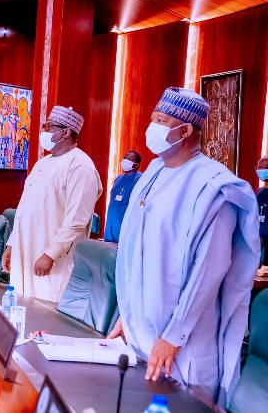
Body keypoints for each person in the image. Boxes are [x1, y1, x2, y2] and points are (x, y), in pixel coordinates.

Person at [108, 87, 259, 408]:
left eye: (161, 121)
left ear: (186, 130)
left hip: (183, 346)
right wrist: (128, 312)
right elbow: (139, 253)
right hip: (141, 336)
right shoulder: (153, 173)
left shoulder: (212, 186)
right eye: (153, 120)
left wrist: (172, 336)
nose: (153, 128)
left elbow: (208, 271)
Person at [1, 106, 102, 302]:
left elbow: (77, 220)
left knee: (43, 315)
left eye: (48, 127)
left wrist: (50, 254)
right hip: (25, 252)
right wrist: (12, 244)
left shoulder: (81, 165)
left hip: (51, 259)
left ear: (65, 132)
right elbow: (23, 208)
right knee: (20, 307)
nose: (43, 131)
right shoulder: (42, 163)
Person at [104, 150, 142, 242]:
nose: (126, 160)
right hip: (112, 221)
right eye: (125, 158)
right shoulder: (118, 179)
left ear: (136, 164)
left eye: (130, 159)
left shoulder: (141, 179)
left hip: (125, 222)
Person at [255, 155, 268, 265]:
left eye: (263, 167)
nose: (260, 170)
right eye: (258, 167)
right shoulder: (259, 192)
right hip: (259, 236)